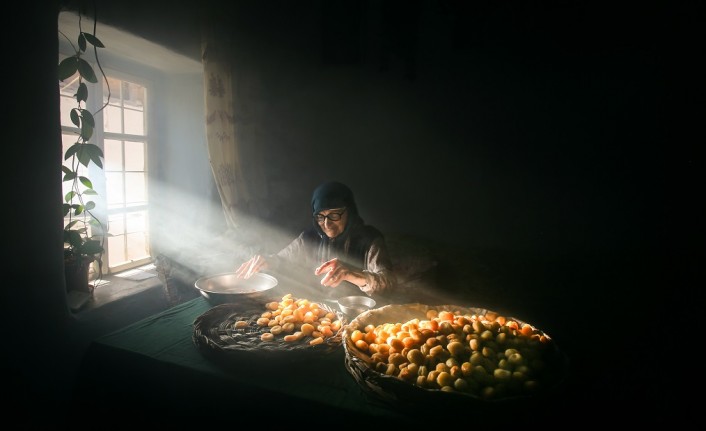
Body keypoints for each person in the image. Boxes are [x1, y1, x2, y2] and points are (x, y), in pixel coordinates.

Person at [235, 181, 395, 300]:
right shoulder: (310, 236)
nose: (326, 224)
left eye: (334, 215)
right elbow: (283, 259)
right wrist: (267, 260)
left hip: (357, 316)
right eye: (320, 216)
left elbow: (389, 284)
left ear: (350, 212)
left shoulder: (369, 239)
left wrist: (353, 274)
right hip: (318, 312)